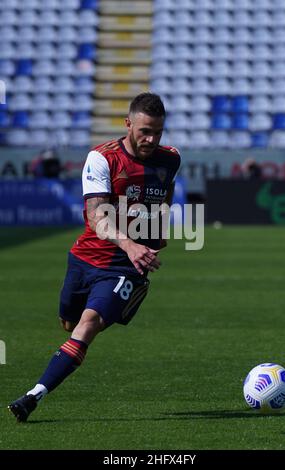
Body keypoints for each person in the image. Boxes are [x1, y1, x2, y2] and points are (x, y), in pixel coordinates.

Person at [8, 92, 181, 422]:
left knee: (87, 326)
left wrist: (157, 229)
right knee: (70, 324)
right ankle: (79, 340)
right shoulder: (102, 158)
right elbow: (97, 216)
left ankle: (32, 397)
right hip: (86, 258)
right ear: (127, 124)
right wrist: (131, 242)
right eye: (144, 130)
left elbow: (166, 190)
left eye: (158, 131)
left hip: (125, 267)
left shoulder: (170, 159)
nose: (151, 138)